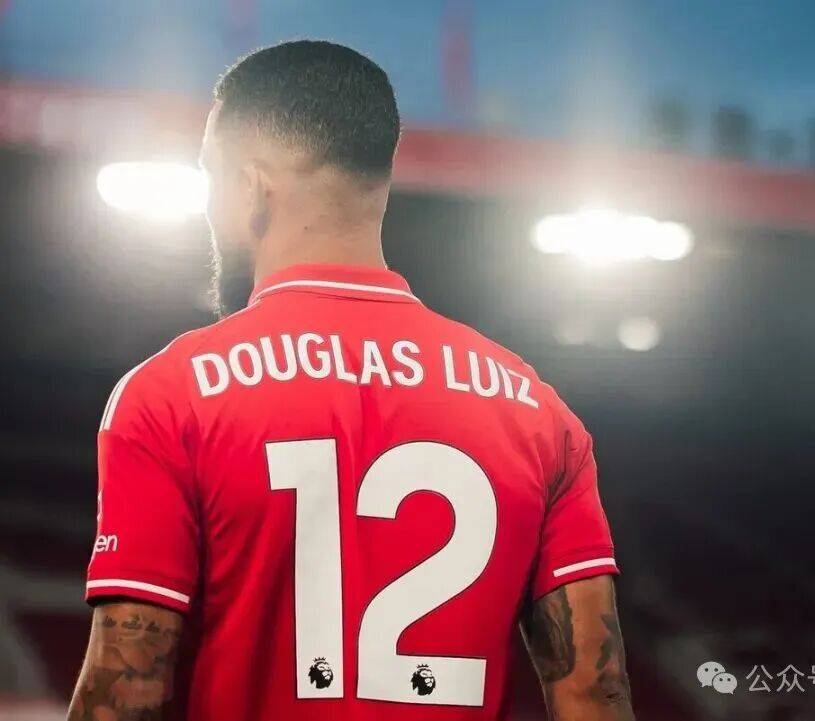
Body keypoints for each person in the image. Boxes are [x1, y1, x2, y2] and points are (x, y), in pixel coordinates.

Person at [67, 40, 632, 721]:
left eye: (210, 178)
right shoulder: (538, 411)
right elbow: (594, 694)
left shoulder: (171, 393)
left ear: (250, 187)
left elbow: (124, 693)